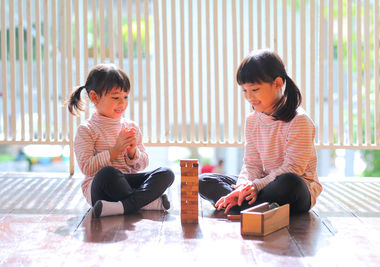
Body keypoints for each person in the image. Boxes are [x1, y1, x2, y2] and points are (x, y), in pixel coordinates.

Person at [199, 49, 322, 214]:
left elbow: (293, 168)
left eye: (255, 89)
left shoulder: (299, 120)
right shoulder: (252, 120)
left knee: (289, 182)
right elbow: (252, 164)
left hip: (292, 189)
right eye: (244, 91)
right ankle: (249, 205)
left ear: (277, 84)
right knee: (203, 180)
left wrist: (256, 186)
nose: (249, 97)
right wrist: (244, 186)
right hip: (260, 186)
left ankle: (238, 207)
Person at [67, 63, 174, 218]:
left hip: (126, 183)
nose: (122, 103)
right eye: (115, 97)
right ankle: (146, 203)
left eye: (125, 97)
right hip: (100, 188)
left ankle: (123, 206)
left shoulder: (131, 126)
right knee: (108, 173)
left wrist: (132, 153)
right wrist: (114, 151)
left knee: (166, 173)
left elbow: (143, 164)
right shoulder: (86, 129)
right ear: (95, 97)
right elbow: (87, 168)